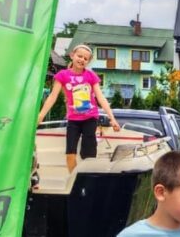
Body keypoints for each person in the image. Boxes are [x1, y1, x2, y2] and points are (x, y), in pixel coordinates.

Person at [37, 44, 121, 173]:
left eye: (85, 58)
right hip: (73, 120)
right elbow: (52, 97)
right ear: (72, 55)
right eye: (79, 56)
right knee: (70, 153)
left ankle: (88, 178)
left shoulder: (91, 76)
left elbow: (101, 98)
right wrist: (41, 116)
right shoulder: (63, 75)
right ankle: (74, 179)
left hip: (90, 118)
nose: (82, 60)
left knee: (88, 153)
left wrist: (112, 118)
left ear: (88, 61)